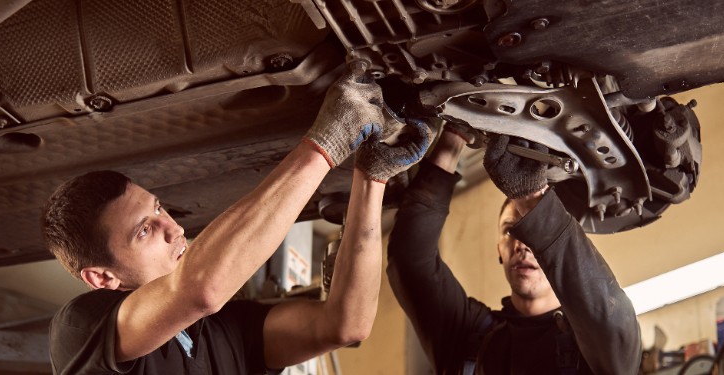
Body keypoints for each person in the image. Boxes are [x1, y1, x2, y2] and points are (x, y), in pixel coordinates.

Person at [41, 71, 435, 374]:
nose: (174, 228)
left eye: (159, 209)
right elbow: (201, 288)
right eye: (144, 231)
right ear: (103, 278)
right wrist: (326, 144)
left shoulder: (220, 328)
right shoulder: (80, 329)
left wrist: (373, 177)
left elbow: (342, 324)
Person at [387, 127, 641, 374]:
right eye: (511, 230)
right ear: (500, 249)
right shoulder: (468, 336)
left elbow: (611, 320)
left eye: (532, 231)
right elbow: (410, 260)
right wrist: (454, 136)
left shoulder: (596, 352)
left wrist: (530, 196)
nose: (522, 243)